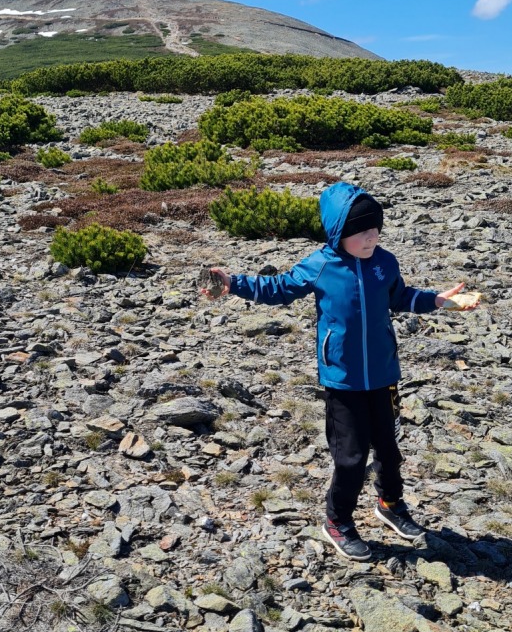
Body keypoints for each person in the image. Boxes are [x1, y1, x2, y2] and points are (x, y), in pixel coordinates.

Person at [201, 181, 478, 561]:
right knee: (351, 457)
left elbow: (400, 296)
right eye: (360, 232)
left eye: (375, 229)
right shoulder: (321, 265)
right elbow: (279, 288)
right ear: (337, 233)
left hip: (383, 375)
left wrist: (438, 301)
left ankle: (390, 504)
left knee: (389, 448)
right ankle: (338, 522)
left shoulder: (384, 262)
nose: (370, 237)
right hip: (342, 379)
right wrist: (233, 283)